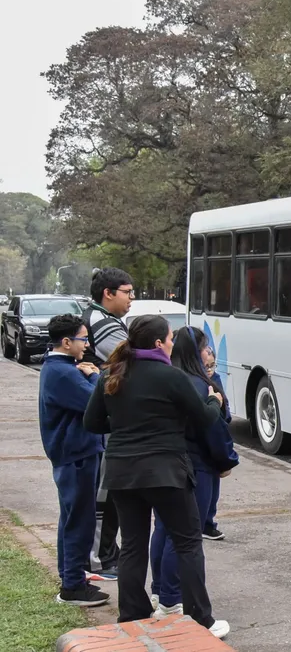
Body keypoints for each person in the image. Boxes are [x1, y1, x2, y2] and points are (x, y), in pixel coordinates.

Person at [83, 315, 230, 639]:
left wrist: (125, 426)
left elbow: (92, 422)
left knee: (133, 545)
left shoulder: (111, 373)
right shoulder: (171, 376)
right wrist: (213, 400)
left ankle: (133, 614)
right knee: (188, 541)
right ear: (158, 344)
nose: (172, 344)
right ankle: (200, 619)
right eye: (169, 339)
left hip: (122, 472)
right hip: (166, 471)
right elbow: (203, 418)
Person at [150, 328, 239, 616]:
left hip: (165, 464)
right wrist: (226, 460)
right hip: (196, 466)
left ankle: (160, 590)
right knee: (187, 535)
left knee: (163, 529)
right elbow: (214, 429)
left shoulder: (166, 379)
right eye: (205, 347)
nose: (210, 353)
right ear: (194, 352)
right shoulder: (201, 386)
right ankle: (172, 599)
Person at [39, 314, 110, 607]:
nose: (87, 344)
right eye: (83, 338)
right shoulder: (64, 373)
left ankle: (73, 575)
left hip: (76, 452)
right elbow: (97, 402)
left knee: (72, 517)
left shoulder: (60, 367)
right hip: (76, 455)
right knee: (78, 519)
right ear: (66, 342)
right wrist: (94, 376)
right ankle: (72, 586)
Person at [81, 267, 134, 582]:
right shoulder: (103, 324)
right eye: (127, 292)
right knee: (106, 495)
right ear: (108, 293)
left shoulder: (107, 320)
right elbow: (128, 362)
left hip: (104, 424)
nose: (132, 299)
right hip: (104, 427)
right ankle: (100, 558)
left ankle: (104, 555)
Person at [201, 348, 228, 541]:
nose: (209, 370)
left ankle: (209, 522)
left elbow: (224, 409)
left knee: (214, 490)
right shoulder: (196, 384)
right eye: (206, 366)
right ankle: (204, 523)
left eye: (212, 365)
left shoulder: (215, 379)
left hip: (215, 441)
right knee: (204, 491)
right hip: (204, 444)